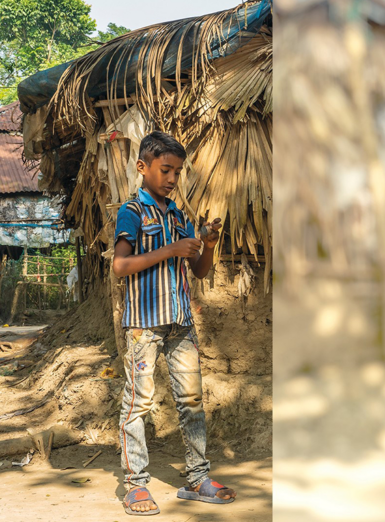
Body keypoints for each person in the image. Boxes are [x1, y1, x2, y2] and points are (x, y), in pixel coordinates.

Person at [112, 131, 236, 516]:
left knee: (192, 401)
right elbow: (120, 266)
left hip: (181, 323)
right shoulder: (132, 213)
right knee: (139, 403)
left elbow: (198, 271)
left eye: (177, 172)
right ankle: (135, 485)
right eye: (165, 170)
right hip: (144, 326)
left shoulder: (180, 216)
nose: (171, 179)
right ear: (142, 167)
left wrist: (208, 244)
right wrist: (169, 250)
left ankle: (198, 478)